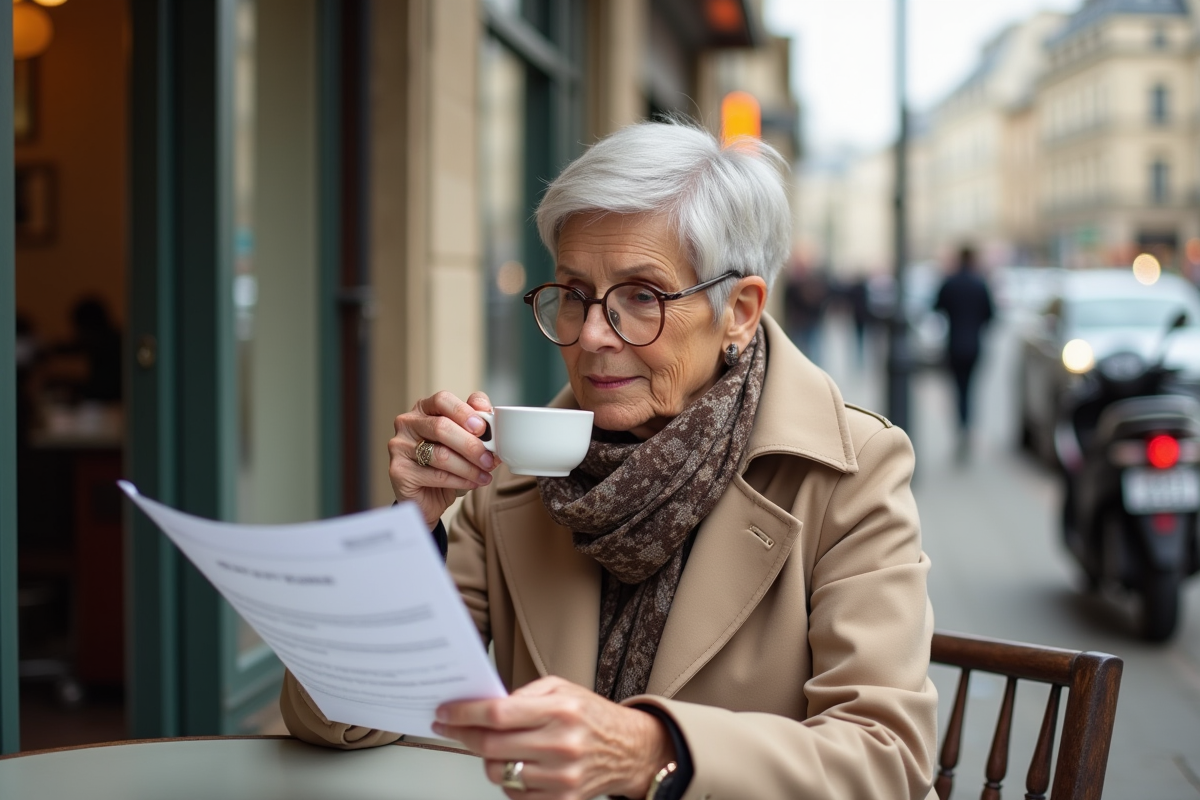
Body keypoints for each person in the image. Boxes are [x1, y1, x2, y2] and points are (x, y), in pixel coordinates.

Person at [280, 121, 937, 800]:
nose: (592, 335)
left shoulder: (851, 472)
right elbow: (335, 720)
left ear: (739, 311)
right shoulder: (511, 477)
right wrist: (410, 529)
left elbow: (886, 761)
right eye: (573, 294)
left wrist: (656, 751)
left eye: (641, 297)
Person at [934, 246, 995, 461]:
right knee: (971, 389)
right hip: (975, 345)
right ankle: (968, 427)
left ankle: (961, 427)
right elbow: (991, 315)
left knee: (958, 389)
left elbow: (936, 308)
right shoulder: (980, 284)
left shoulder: (950, 283)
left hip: (953, 345)